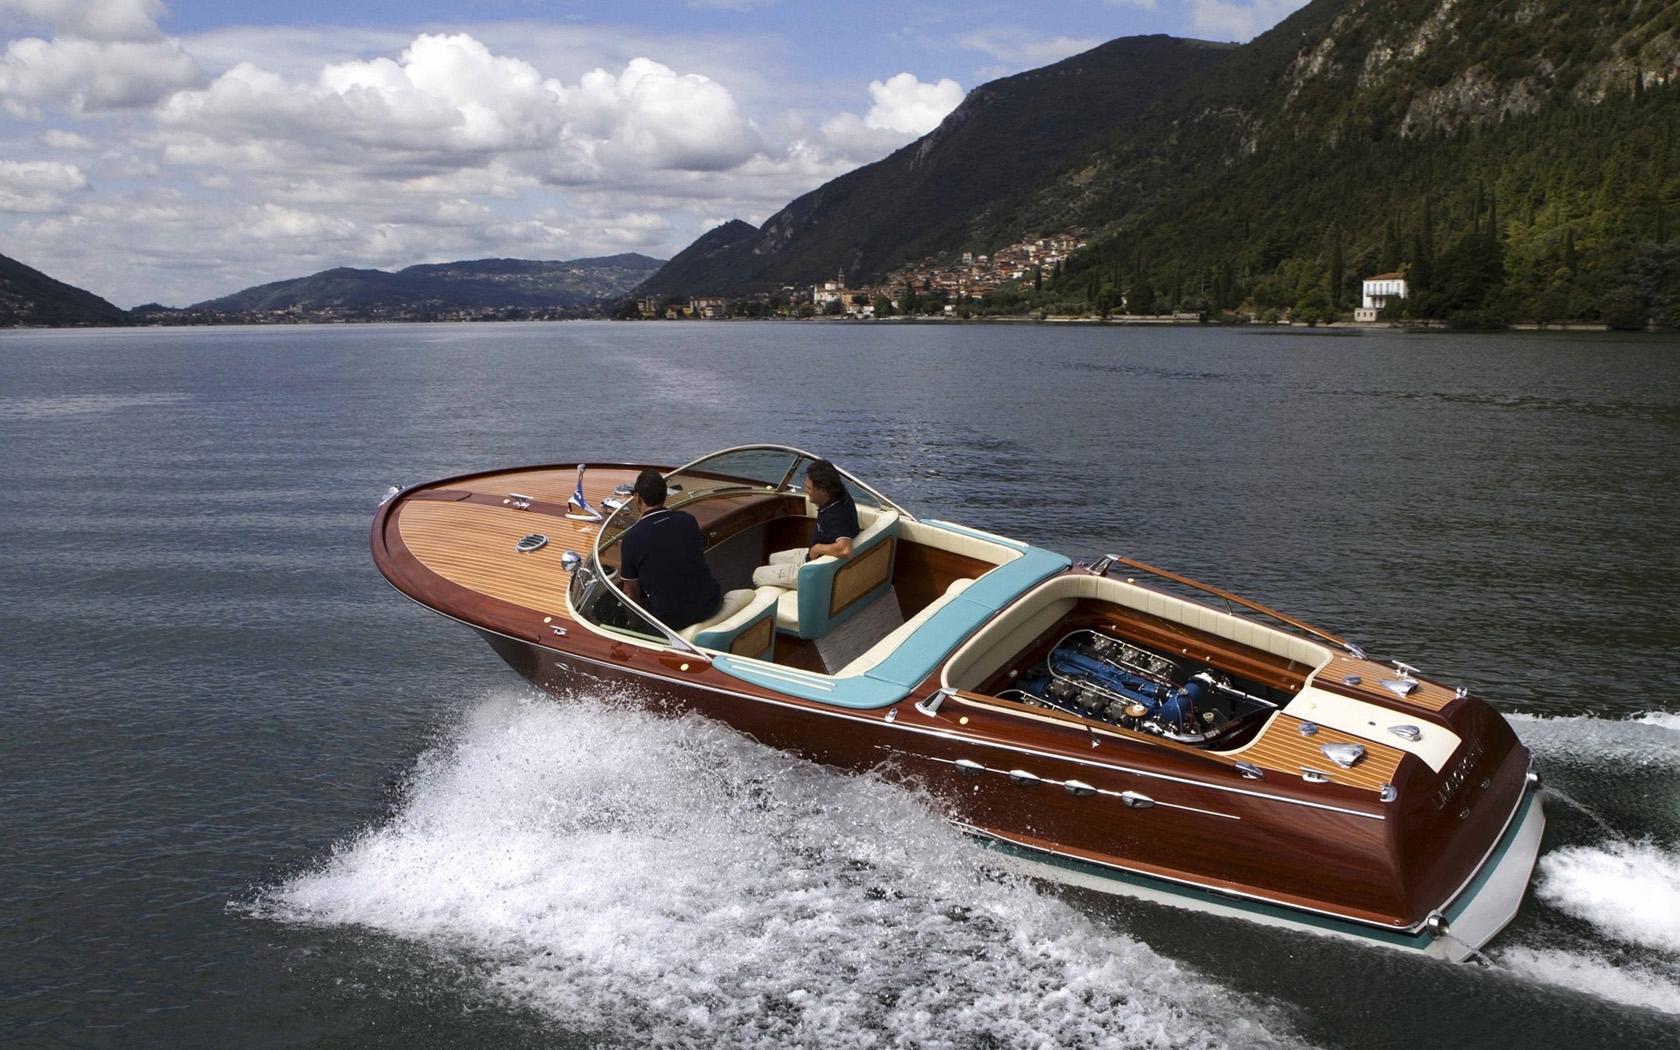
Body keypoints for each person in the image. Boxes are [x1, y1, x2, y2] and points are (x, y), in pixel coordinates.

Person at [618, 468, 722, 631]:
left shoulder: (631, 539)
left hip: (672, 621)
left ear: (637, 497)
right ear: (665, 495)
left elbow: (631, 594)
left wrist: (633, 626)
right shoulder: (688, 520)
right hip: (712, 603)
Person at [752, 459, 860, 589]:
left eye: (809, 488)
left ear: (824, 491)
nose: (805, 490)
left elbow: (845, 550)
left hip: (813, 571)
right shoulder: (841, 496)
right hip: (811, 557)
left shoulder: (834, 517)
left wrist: (817, 548)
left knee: (757, 574)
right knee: (772, 558)